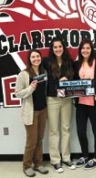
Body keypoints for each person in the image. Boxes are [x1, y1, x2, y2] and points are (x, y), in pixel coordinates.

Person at [43, 37, 75, 173]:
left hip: (66, 98)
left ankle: (66, 158)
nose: (58, 49)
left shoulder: (69, 62)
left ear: (63, 47)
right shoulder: (47, 61)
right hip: (52, 99)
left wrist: (67, 79)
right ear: (52, 49)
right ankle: (55, 160)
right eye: (55, 47)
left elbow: (73, 77)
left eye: (60, 47)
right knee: (54, 130)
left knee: (66, 128)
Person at [15, 49, 49, 177]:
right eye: (33, 57)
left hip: (43, 110)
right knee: (31, 141)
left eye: (38, 56)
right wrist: (30, 88)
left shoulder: (43, 72)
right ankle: (27, 166)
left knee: (40, 139)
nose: (36, 59)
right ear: (29, 59)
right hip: (31, 112)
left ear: (41, 58)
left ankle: (38, 164)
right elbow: (17, 93)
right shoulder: (23, 74)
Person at [73, 38, 96, 170]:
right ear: (80, 50)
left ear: (91, 50)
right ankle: (85, 155)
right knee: (81, 130)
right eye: (83, 48)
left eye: (88, 48)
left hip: (94, 103)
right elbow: (72, 81)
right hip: (80, 103)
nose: (85, 50)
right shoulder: (76, 64)